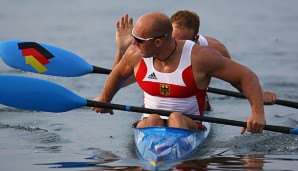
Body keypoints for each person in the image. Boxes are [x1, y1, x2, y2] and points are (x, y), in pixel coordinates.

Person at [93, 12, 266, 134]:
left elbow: (246, 76)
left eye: (139, 41)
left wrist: (257, 113)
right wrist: (105, 100)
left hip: (189, 124)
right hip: (150, 121)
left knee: (176, 117)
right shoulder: (135, 54)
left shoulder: (201, 57)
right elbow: (118, 75)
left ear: (158, 42)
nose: (134, 44)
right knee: (153, 119)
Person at [111, 12, 277, 108]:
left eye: (184, 41)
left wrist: (258, 97)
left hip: (192, 105)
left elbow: (238, 81)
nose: (176, 45)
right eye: (173, 39)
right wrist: (122, 49)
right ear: (165, 36)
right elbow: (120, 79)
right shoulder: (152, 47)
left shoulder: (213, 50)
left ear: (196, 38)